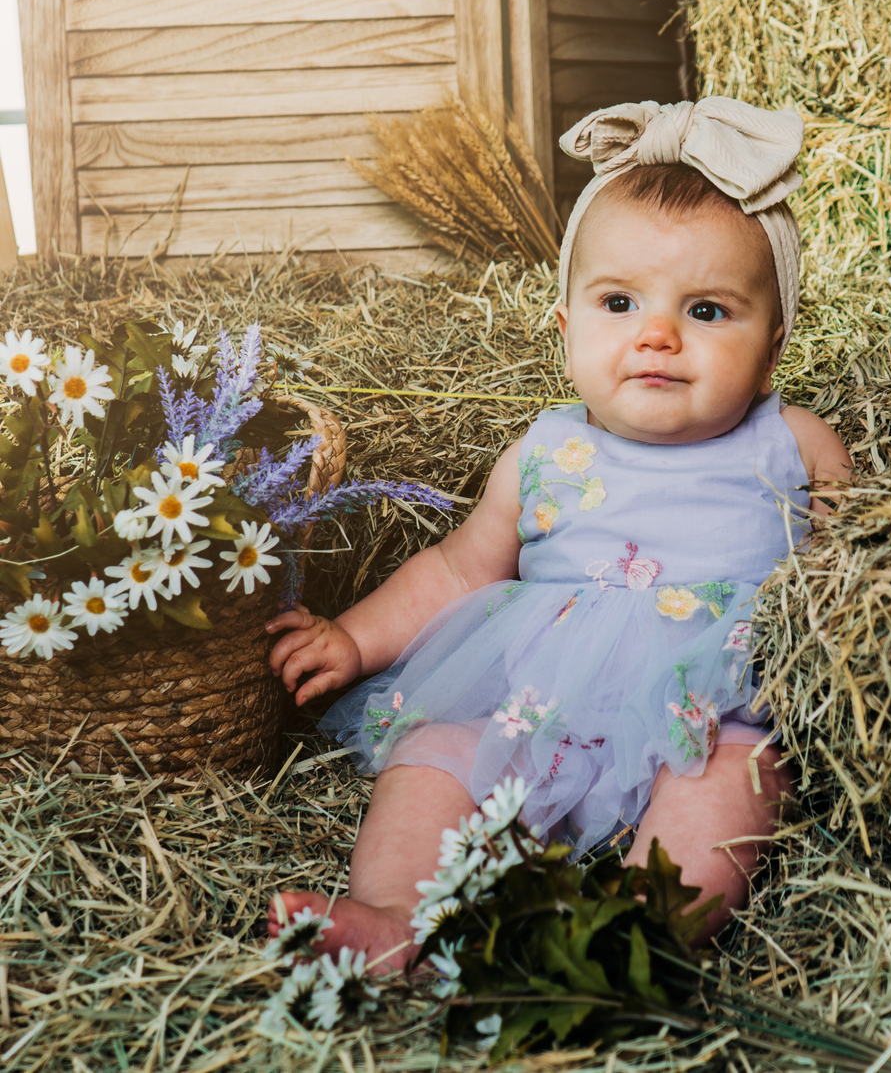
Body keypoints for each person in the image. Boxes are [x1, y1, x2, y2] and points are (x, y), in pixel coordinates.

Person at [264, 97, 852, 970]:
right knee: (432, 761)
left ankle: (640, 938)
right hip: (536, 705)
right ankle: (395, 919)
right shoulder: (546, 452)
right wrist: (354, 638)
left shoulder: (793, 443)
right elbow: (457, 571)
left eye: (707, 312)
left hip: (708, 709)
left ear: (772, 349)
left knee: (734, 785)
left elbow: (870, 552)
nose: (656, 334)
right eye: (620, 302)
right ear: (566, 332)